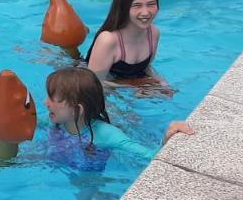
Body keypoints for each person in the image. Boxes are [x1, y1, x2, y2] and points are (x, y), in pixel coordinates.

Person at [43, 67, 192, 171]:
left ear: (77, 109)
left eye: (51, 98)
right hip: (64, 164)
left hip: (90, 177)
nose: (45, 103)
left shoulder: (106, 135)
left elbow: (151, 156)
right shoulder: (52, 120)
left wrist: (167, 138)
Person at [84, 0, 166, 86]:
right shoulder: (108, 40)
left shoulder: (154, 34)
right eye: (137, 5)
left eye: (151, 4)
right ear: (124, 7)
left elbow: (145, 68)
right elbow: (93, 83)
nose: (145, 12)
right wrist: (135, 86)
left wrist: (161, 82)